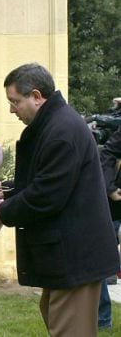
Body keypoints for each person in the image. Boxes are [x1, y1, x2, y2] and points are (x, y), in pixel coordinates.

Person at [0, 63, 120, 336]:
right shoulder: (55, 124)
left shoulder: (62, 131)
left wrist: (2, 212)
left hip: (76, 255)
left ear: (36, 95)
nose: (12, 110)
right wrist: (7, 190)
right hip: (68, 254)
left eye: (15, 102)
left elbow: (47, 195)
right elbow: (46, 179)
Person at [97, 123, 121, 329]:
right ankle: (103, 319)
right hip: (116, 206)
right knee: (103, 257)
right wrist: (110, 188)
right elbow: (108, 153)